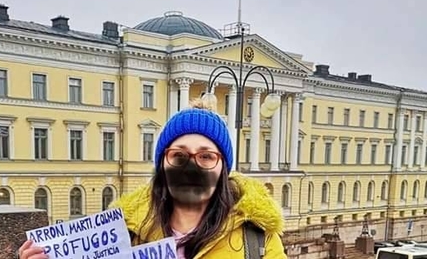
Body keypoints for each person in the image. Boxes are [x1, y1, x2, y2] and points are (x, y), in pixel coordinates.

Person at [18, 96, 286, 259]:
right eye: (179, 156)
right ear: (162, 166)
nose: (191, 168)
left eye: (206, 157)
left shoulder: (258, 240)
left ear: (223, 170)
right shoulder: (122, 233)